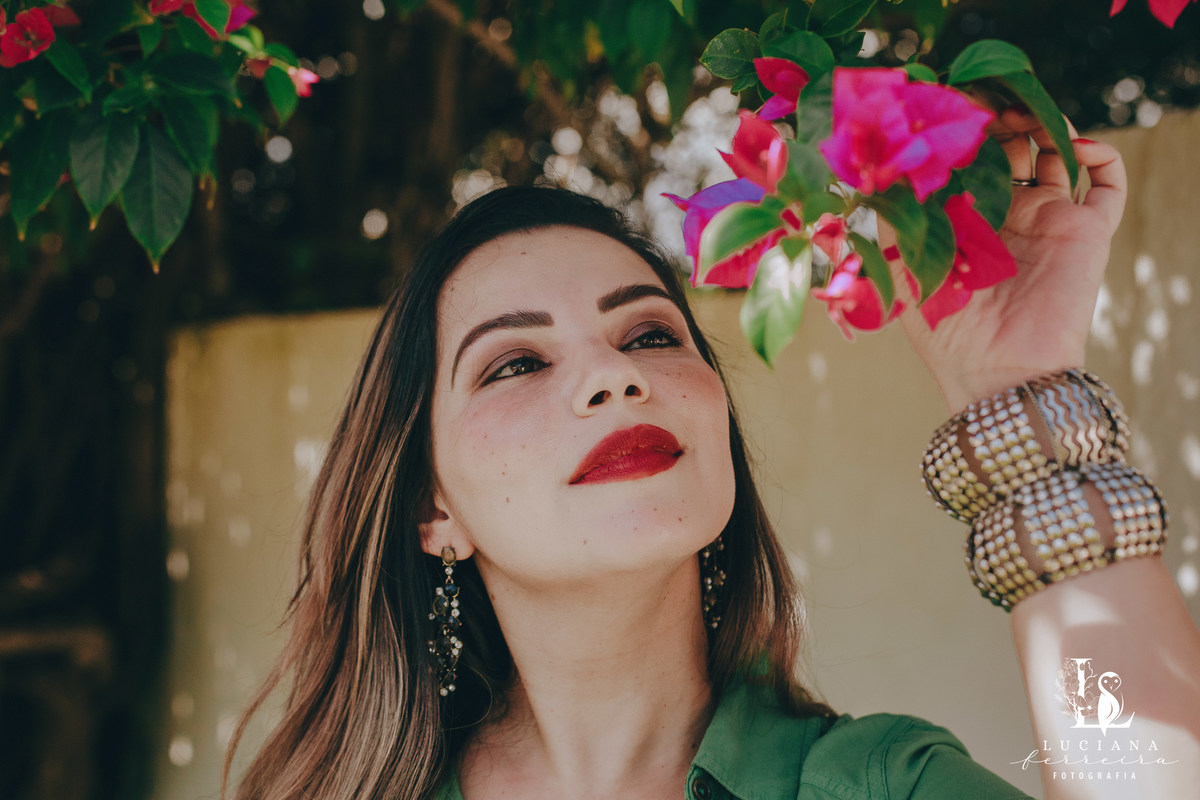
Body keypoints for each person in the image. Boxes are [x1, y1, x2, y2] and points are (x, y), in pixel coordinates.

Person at [223, 109, 1200, 800]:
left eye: (649, 334)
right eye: (516, 360)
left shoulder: (880, 785)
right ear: (432, 507)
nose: (612, 376)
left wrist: (1012, 385)